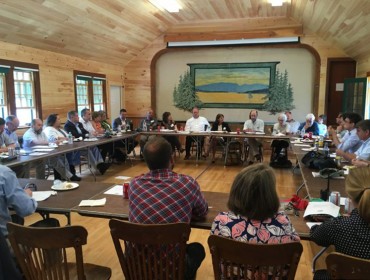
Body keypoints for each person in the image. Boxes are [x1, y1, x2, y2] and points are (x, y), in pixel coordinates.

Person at [129, 137, 208, 280]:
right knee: (197, 249)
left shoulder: (134, 184)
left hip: (138, 267)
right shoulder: (188, 183)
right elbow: (202, 213)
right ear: (172, 159)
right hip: (173, 270)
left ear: (146, 162)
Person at [211, 164, 300, 277]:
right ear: (270, 195)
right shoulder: (284, 223)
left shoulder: (221, 222)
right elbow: (296, 249)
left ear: (236, 191)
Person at [310, 167, 370, 260]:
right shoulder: (341, 225)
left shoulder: (339, 226)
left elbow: (315, 235)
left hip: (347, 274)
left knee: (320, 274)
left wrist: (329, 221)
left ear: (349, 195)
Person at [64, 110, 110, 175]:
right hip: (76, 146)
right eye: (77, 116)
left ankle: (101, 163)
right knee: (89, 150)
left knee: (94, 147)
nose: (78, 117)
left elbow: (85, 132)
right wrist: (86, 135)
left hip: (83, 143)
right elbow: (75, 135)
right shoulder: (67, 125)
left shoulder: (79, 124)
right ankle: (98, 167)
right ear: (72, 117)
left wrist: (87, 134)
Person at [0, 165, 37, 238]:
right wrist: (26, 196)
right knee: (51, 223)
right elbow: (26, 209)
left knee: (17, 219)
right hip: (3, 241)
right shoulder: (4, 173)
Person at [43, 113, 82, 181]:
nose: (60, 120)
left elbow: (66, 136)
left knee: (70, 154)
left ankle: (70, 174)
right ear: (53, 121)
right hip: (56, 151)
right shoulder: (49, 129)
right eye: (58, 119)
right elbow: (54, 139)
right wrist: (66, 138)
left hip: (65, 148)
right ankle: (67, 176)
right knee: (63, 158)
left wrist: (69, 137)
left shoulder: (60, 129)